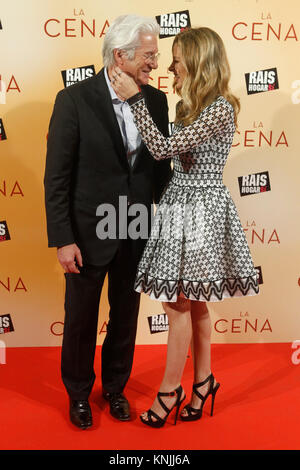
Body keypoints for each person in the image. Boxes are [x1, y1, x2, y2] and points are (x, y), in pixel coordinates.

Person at [111, 27, 260, 428]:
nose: (171, 65)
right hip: (180, 202)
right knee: (192, 302)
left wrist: (134, 99)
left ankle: (169, 390)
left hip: (202, 208)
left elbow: (160, 149)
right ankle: (204, 381)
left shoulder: (220, 108)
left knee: (177, 304)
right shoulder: (190, 107)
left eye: (177, 58)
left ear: (197, 60)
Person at [44, 14, 171, 429]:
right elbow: (57, 177)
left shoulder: (155, 100)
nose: (155, 63)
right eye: (149, 56)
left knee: (126, 314)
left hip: (135, 227)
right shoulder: (74, 100)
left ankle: (115, 387)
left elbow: (159, 172)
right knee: (80, 318)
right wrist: (64, 239)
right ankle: (78, 394)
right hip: (87, 232)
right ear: (121, 55)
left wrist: (167, 228)